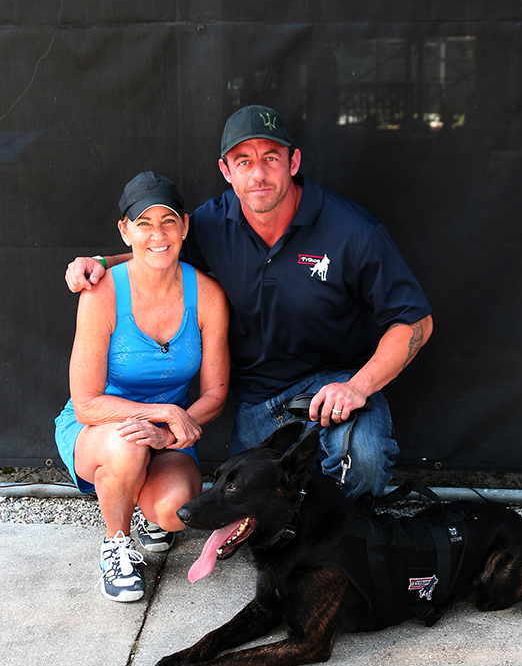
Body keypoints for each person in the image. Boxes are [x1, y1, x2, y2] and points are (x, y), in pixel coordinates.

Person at [64, 106, 432, 500]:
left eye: (271, 158)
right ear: (226, 171)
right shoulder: (211, 224)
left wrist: (358, 387)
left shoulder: (352, 231)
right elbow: (158, 246)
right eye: (244, 161)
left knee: (366, 459)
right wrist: (102, 262)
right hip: (260, 405)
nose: (258, 174)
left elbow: (415, 323)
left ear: (293, 161)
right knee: (246, 504)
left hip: (333, 388)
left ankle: (350, 540)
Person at [56, 172, 230, 602]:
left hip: (168, 436)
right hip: (101, 428)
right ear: (125, 230)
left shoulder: (207, 296)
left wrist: (171, 430)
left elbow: (216, 392)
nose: (158, 234)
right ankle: (116, 544)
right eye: (144, 223)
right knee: (126, 443)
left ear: (185, 226)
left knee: (176, 512)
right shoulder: (101, 294)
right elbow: (87, 404)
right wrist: (165, 412)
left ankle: (148, 508)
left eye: (168, 221)